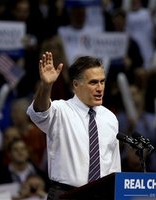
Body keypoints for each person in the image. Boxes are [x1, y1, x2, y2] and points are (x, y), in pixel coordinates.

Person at [26, 51, 121, 199]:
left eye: (102, 81)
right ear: (76, 85)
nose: (100, 88)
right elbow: (38, 112)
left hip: (102, 195)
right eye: (93, 82)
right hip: (67, 194)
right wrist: (46, 86)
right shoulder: (61, 110)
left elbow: (114, 165)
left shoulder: (110, 118)